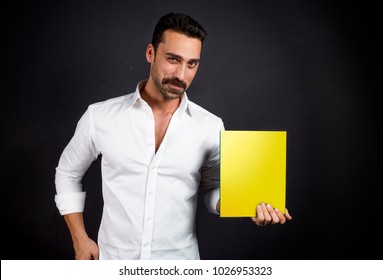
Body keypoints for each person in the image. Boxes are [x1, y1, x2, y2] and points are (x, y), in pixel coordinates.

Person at [54, 12, 292, 260]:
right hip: (114, 263)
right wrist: (79, 238)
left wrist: (247, 206)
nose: (181, 74)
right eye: (173, 59)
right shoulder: (100, 116)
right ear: (151, 53)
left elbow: (212, 190)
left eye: (192, 63)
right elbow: (67, 173)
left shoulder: (210, 126)